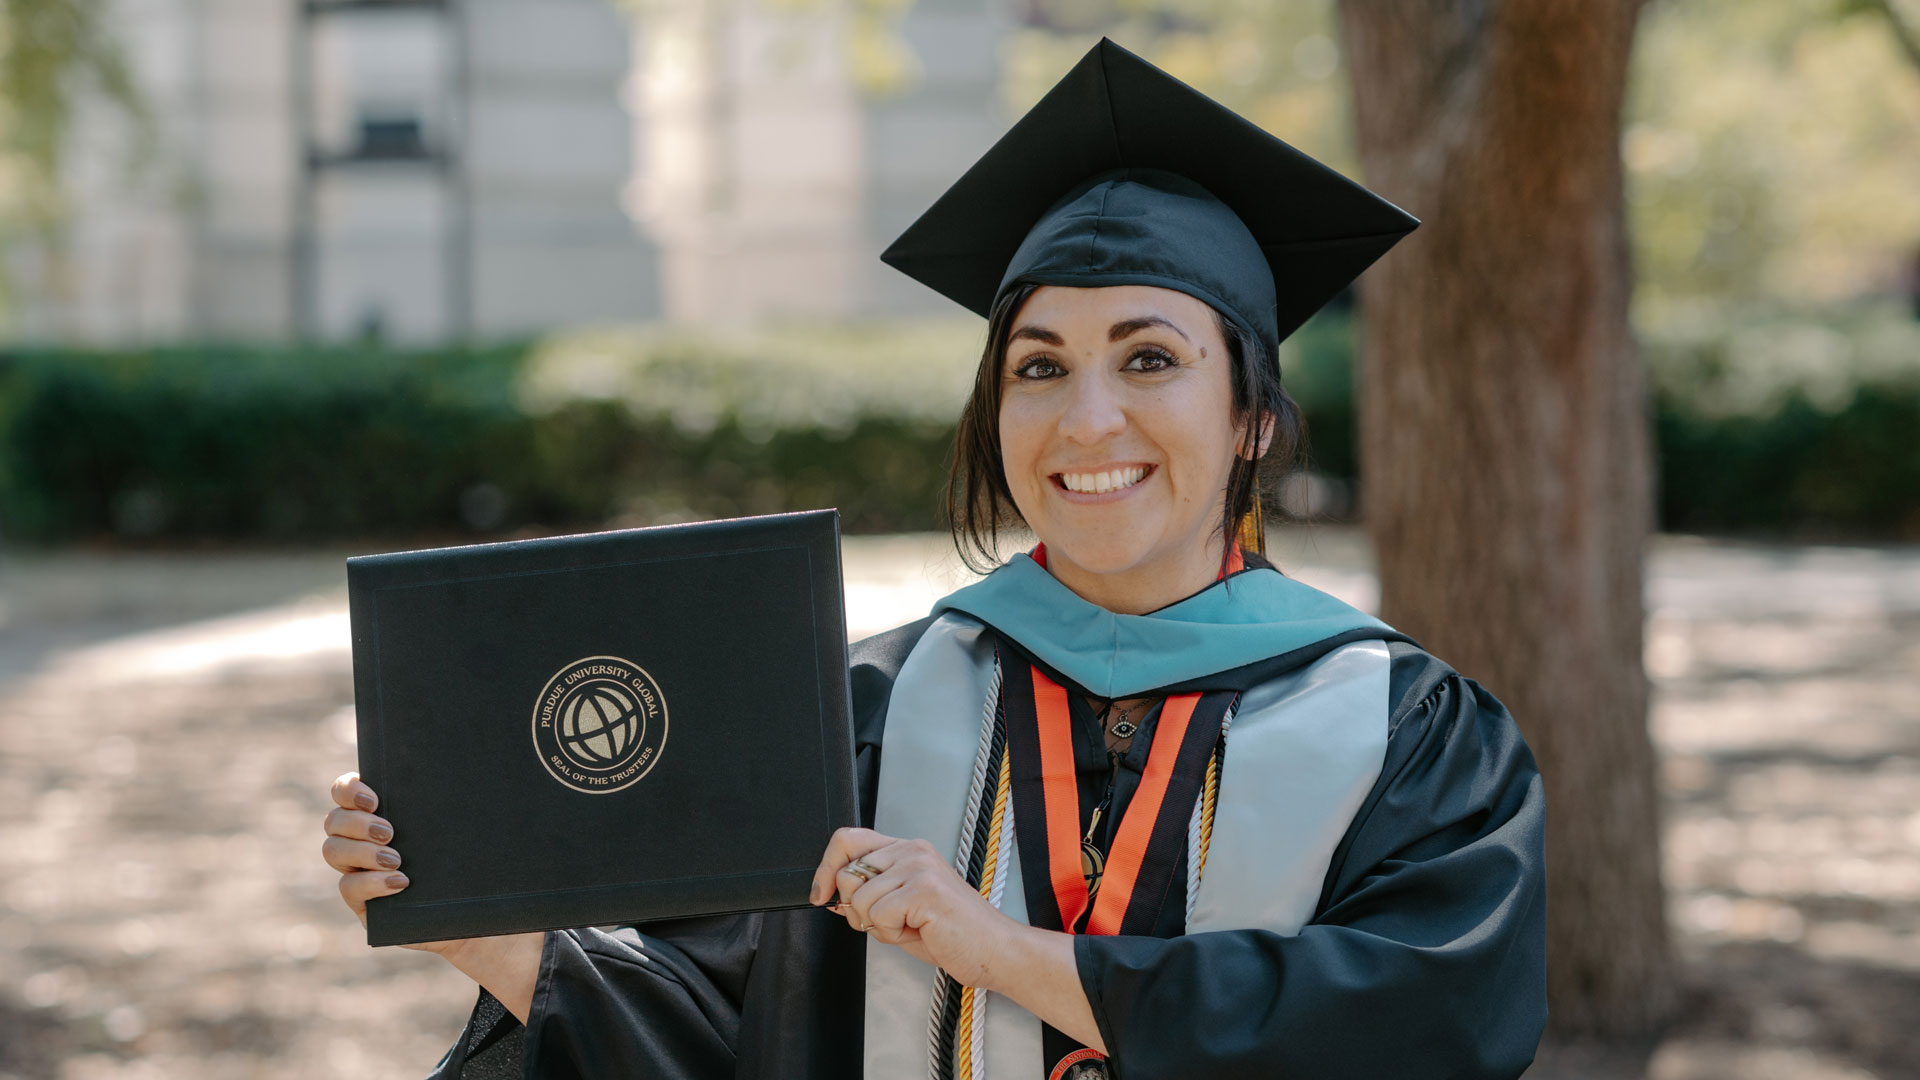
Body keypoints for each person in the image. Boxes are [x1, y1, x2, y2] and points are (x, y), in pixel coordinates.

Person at [321, 38, 1546, 1080]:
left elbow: (1424, 1022)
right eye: (1039, 366)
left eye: (1151, 359)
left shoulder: (1404, 731)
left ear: (1254, 421)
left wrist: (998, 951)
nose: (1088, 421)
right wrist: (470, 925)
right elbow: (719, 1034)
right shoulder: (868, 712)